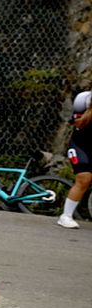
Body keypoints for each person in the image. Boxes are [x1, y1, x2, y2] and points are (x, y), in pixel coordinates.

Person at [57, 90, 92, 228]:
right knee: (84, 178)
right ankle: (65, 216)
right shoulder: (84, 98)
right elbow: (78, 123)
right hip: (81, 146)